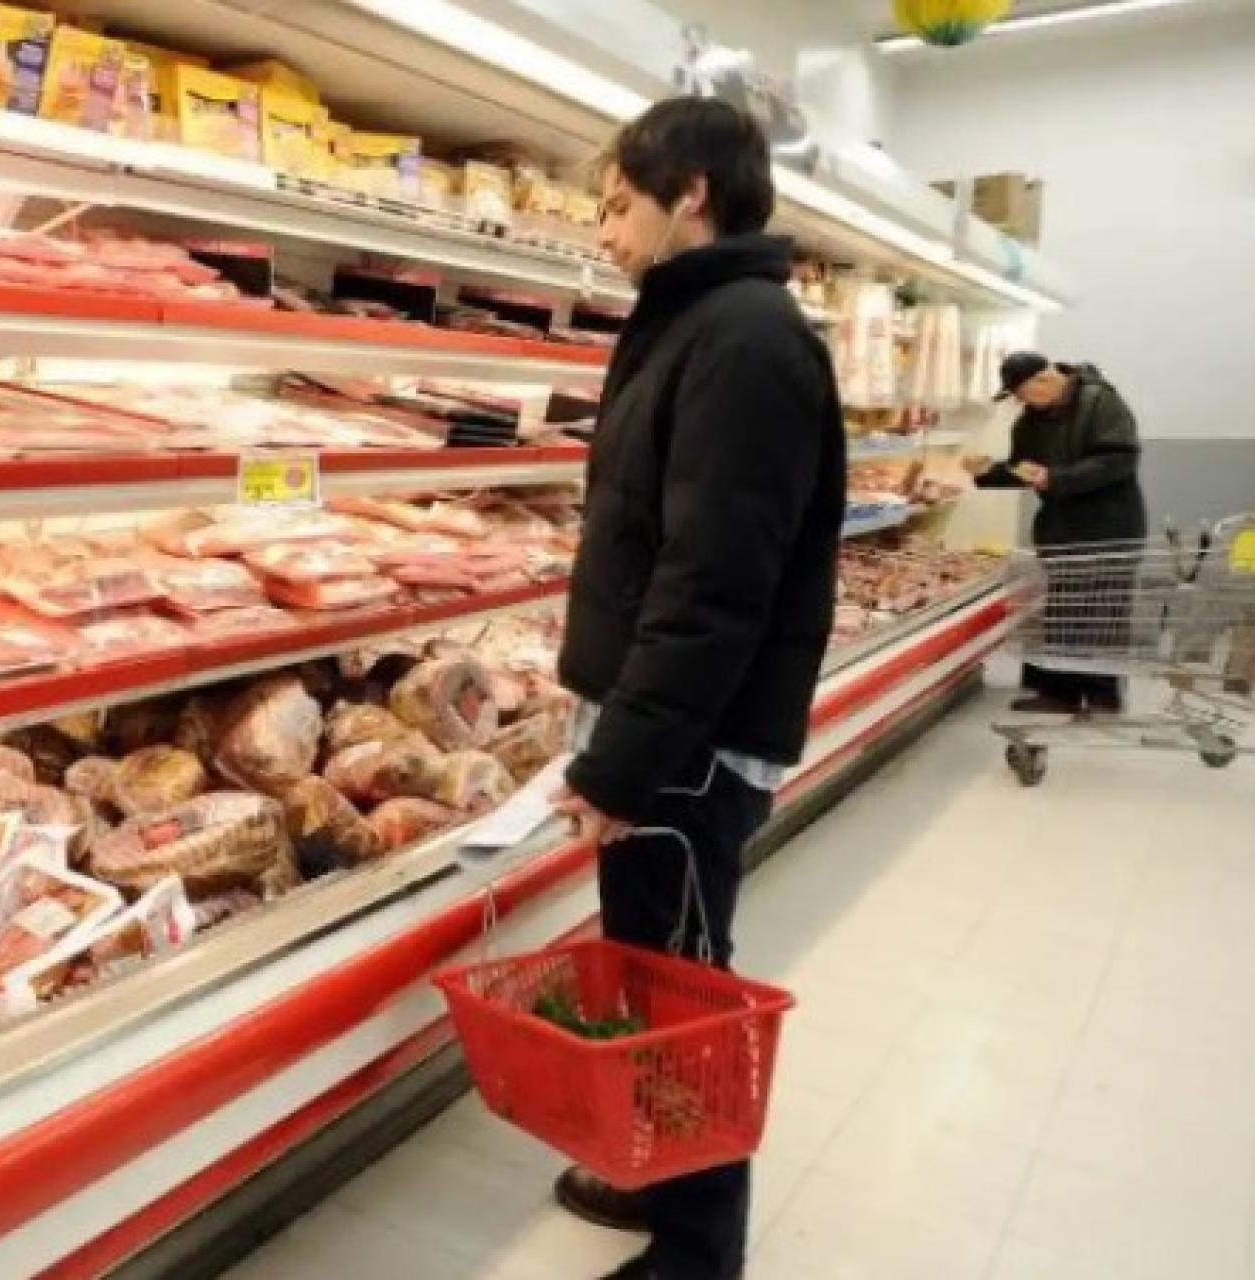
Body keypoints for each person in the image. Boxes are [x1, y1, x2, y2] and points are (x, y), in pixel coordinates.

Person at [551, 96, 846, 1280]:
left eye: (618, 203)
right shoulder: (700, 322)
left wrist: (621, 762)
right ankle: (658, 1180)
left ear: (689, 195)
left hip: (688, 746)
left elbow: (711, 588)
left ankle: (695, 1249)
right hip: (664, 728)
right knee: (651, 966)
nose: (604, 231)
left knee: (679, 989)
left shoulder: (745, 341)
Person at [964, 353, 1148, 713]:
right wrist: (986, 473)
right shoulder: (1031, 421)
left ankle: (1101, 693)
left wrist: (1058, 478)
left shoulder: (1101, 402)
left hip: (1108, 525)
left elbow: (1119, 460)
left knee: (1102, 610)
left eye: (1022, 392)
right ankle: (1057, 692)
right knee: (1063, 609)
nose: (1020, 401)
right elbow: (1025, 470)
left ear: (1044, 380)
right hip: (1061, 528)